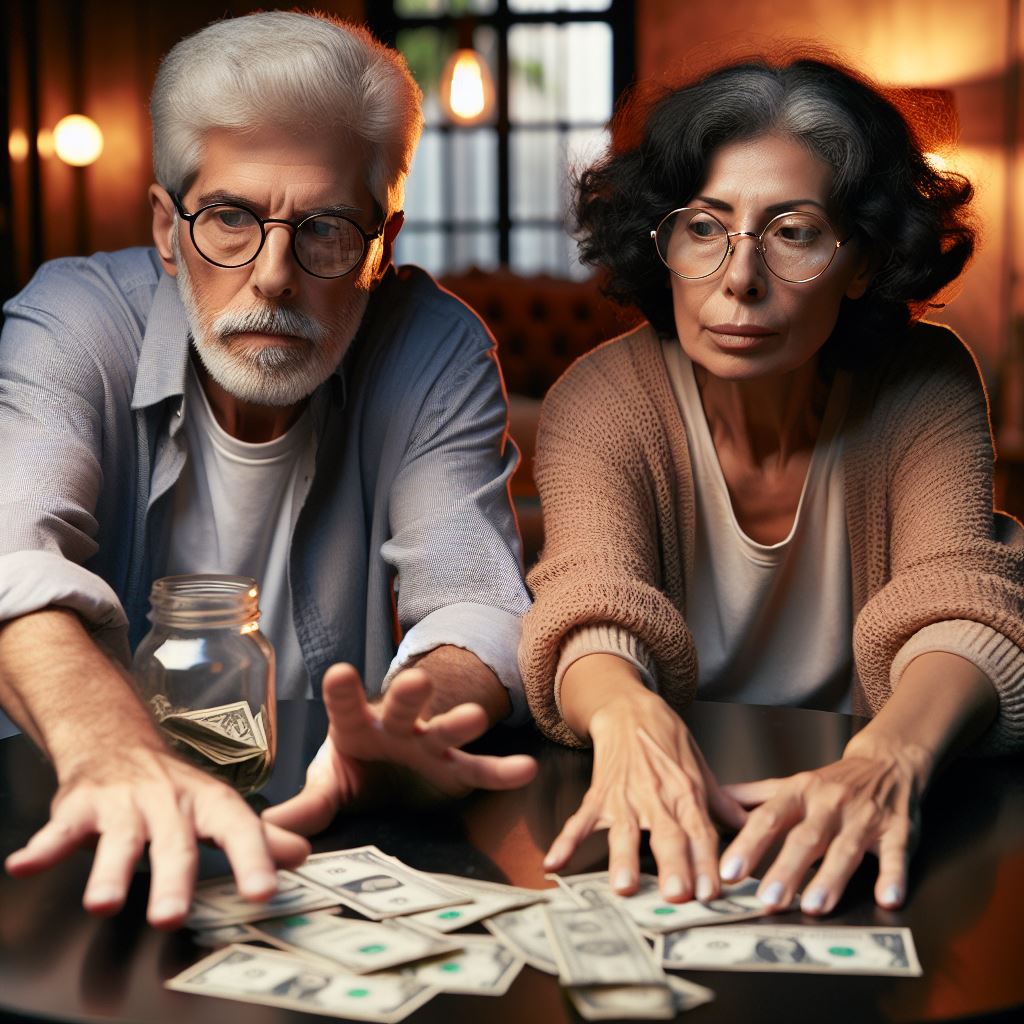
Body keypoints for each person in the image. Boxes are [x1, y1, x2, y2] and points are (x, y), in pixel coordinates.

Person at [0, 10, 536, 930]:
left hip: (330, 834)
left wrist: (415, 717)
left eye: (325, 228)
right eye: (231, 219)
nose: (275, 276)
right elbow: (12, 553)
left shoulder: (433, 345)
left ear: (383, 243)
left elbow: (476, 601)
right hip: (73, 825)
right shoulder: (72, 320)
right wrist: (111, 746)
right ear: (169, 229)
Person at [519, 52, 1024, 918]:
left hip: (868, 835)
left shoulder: (926, 381)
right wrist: (623, 713)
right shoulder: (600, 400)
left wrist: (887, 757)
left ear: (860, 261)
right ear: (662, 243)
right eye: (704, 228)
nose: (740, 279)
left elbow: (961, 595)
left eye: (793, 232)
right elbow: (588, 596)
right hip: (671, 830)